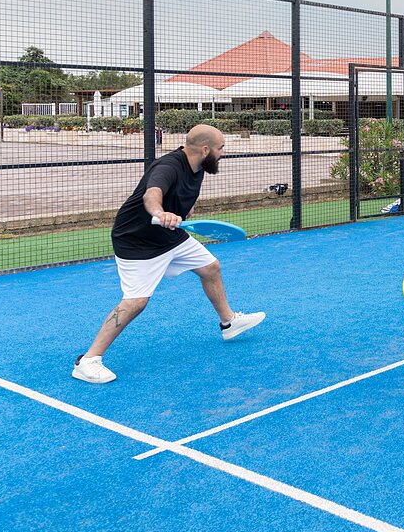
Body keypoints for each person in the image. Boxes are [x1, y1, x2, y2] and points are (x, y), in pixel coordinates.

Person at [72, 124, 265, 383]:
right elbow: (152, 194)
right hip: (137, 241)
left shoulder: (198, 166)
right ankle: (88, 361)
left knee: (211, 267)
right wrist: (160, 213)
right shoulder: (168, 166)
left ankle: (228, 322)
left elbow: (185, 195)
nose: (222, 154)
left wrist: (184, 210)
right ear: (205, 149)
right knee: (135, 302)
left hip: (170, 237)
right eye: (221, 149)